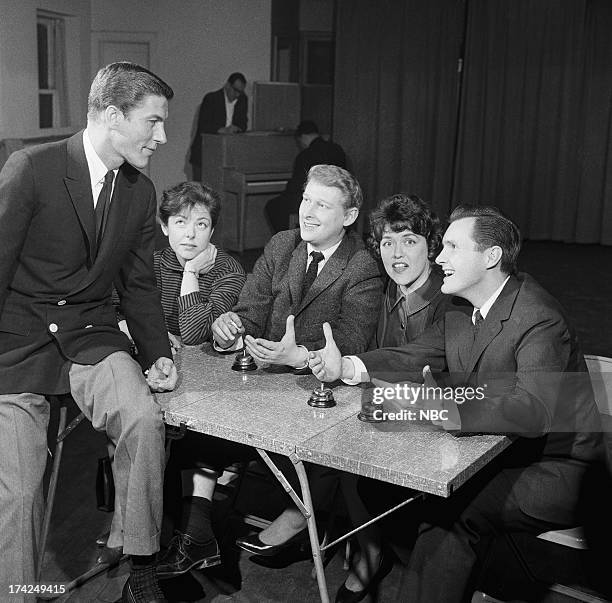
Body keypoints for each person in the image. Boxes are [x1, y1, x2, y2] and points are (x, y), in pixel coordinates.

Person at [310, 205, 603, 603]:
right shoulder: (461, 310)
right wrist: (345, 365)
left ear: (491, 257)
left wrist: (445, 409)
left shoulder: (537, 316)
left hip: (557, 468)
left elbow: (534, 410)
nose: (439, 257)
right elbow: (412, 357)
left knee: (452, 511)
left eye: (451, 247)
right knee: (390, 487)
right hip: (495, 454)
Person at [0, 62, 178, 603]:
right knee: (20, 491)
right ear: (111, 115)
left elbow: (140, 285)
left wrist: (158, 354)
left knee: (144, 420)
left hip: (92, 336)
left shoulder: (141, 192)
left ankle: (139, 561)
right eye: (153, 122)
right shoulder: (31, 168)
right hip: (18, 345)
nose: (162, 136)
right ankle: (17, 595)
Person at [156, 164, 382, 579]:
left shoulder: (362, 265)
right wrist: (230, 330)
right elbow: (250, 311)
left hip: (318, 397)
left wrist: (298, 356)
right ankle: (198, 536)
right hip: (260, 383)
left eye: (323, 205)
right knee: (191, 432)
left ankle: (201, 537)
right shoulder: (282, 244)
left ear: (348, 217)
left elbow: (351, 344)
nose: (308, 212)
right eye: (306, 200)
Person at [335, 193, 452, 602]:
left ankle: (377, 553)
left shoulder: (449, 297)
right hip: (386, 413)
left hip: (441, 425)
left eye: (409, 241)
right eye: (387, 242)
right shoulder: (384, 291)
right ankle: (369, 550)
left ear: (431, 246)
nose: (396, 253)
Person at [265, 120, 346, 233]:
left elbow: (296, 186)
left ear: (302, 137)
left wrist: (285, 192)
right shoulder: (337, 149)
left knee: (273, 206)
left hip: (316, 201)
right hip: (336, 199)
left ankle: (291, 243)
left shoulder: (305, 155)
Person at [189, 72, 248, 181]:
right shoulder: (211, 99)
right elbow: (204, 126)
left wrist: (236, 129)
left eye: (240, 92)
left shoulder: (243, 100)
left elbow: (243, 124)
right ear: (227, 85)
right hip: (205, 155)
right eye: (235, 90)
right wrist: (223, 130)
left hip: (227, 155)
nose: (237, 95)